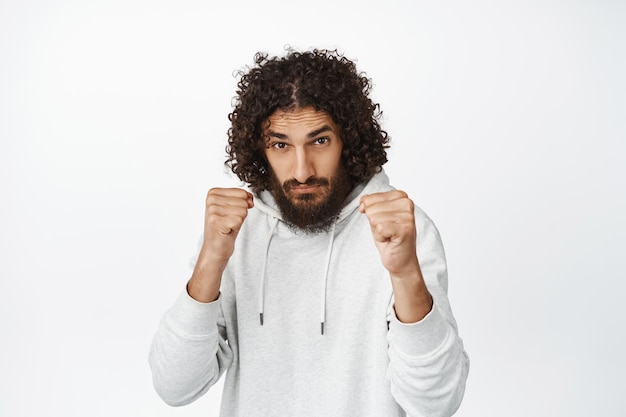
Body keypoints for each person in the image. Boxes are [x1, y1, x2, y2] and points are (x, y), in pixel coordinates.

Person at [149, 48, 469, 417]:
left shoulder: (400, 230)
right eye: (281, 145)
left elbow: (437, 403)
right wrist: (211, 259)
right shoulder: (238, 231)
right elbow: (175, 387)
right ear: (260, 150)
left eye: (319, 141)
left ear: (347, 140)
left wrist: (404, 273)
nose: (301, 171)